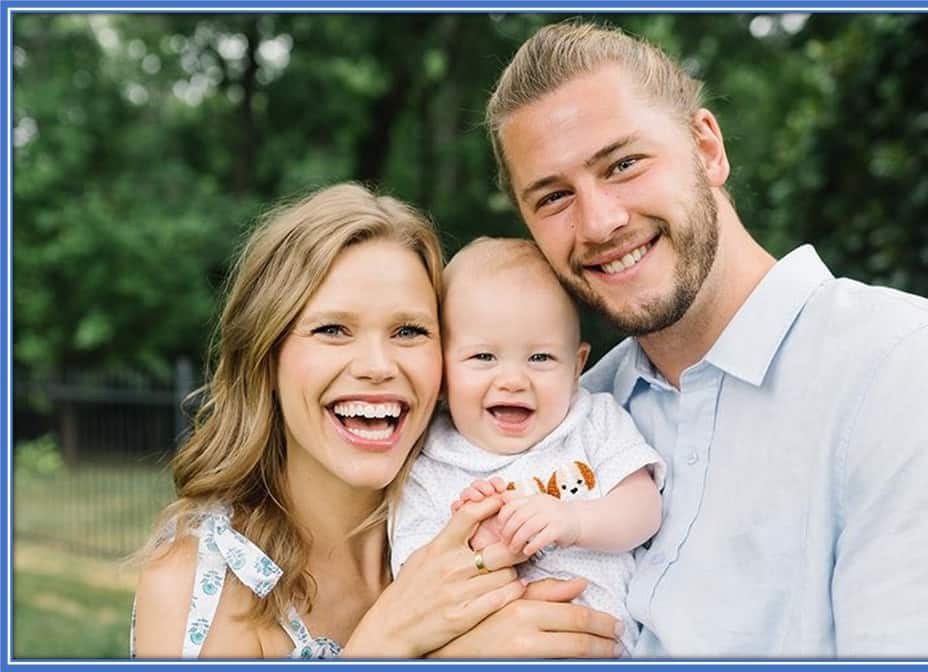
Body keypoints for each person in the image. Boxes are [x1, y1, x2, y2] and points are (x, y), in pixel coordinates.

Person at [483, 20, 928, 658]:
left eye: (625, 164)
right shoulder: (568, 416)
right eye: (554, 197)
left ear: (707, 148)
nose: (601, 221)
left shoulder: (916, 369)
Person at [130, 183, 622, 659]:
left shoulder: (486, 514)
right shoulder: (200, 582)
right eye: (332, 330)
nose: (377, 365)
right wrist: (386, 644)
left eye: (409, 330)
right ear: (267, 358)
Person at [390, 237, 664, 656]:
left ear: (577, 366)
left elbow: (645, 509)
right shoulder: (430, 462)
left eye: (540, 358)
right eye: (483, 357)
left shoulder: (592, 421)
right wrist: (478, 543)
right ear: (442, 371)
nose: (514, 380)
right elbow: (413, 577)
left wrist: (575, 521)